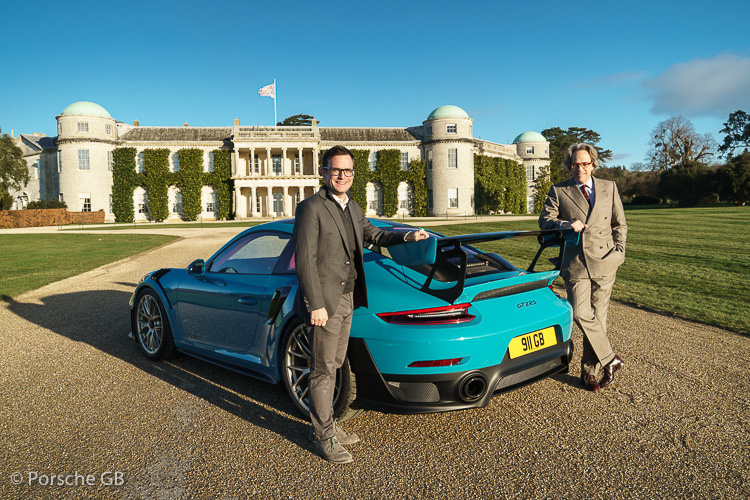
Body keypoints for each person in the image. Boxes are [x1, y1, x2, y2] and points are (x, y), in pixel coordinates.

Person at [292, 145, 428, 463]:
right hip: (325, 301)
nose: (342, 176)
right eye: (336, 170)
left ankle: (331, 424)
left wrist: (407, 236)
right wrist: (314, 304)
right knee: (323, 369)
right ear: (324, 172)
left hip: (349, 296)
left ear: (354, 174)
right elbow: (305, 260)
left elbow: (375, 236)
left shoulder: (352, 206)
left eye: (348, 171)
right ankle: (323, 436)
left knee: (337, 363)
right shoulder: (311, 207)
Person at [539, 143, 627, 392]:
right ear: (569, 166)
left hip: (606, 261)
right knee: (579, 314)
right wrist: (566, 224)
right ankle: (611, 358)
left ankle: (590, 372)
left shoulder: (609, 187)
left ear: (593, 164)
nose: (580, 168)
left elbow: (620, 224)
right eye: (575, 164)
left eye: (585, 163)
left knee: (598, 318)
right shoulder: (559, 190)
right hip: (575, 263)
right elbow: (545, 221)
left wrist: (619, 253)